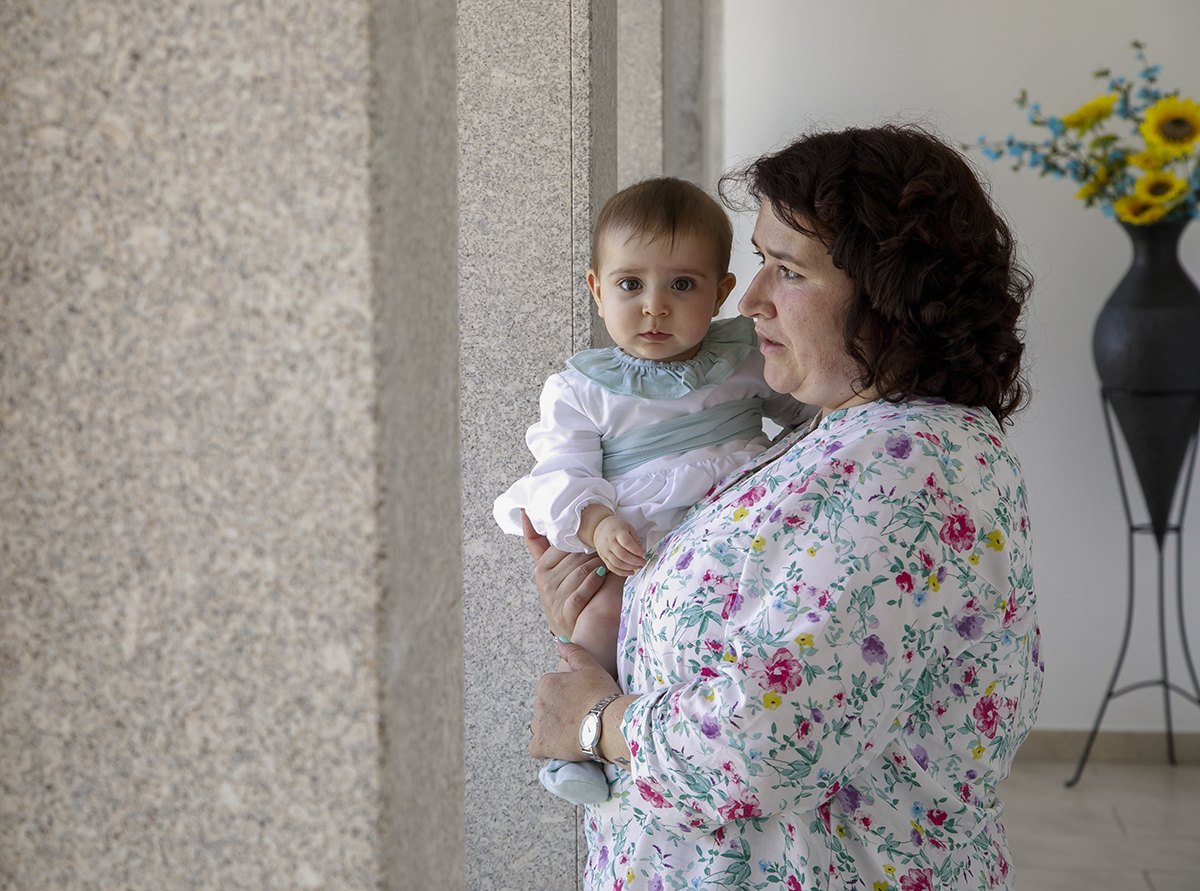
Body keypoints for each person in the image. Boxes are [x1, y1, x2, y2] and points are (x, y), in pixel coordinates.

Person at [526, 124, 1044, 891]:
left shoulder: (911, 469)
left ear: (887, 292)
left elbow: (773, 740)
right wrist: (591, 611)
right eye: (759, 261)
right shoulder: (831, 433)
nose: (752, 298)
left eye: (787, 270)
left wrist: (597, 723)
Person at [495, 178, 810, 805]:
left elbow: (804, 407)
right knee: (602, 616)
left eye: (682, 285)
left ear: (722, 292)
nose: (654, 307)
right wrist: (594, 525)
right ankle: (579, 739)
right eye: (630, 284)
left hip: (724, 516)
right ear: (595, 287)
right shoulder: (583, 388)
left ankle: (686, 734)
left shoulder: (745, 356)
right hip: (631, 534)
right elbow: (561, 471)